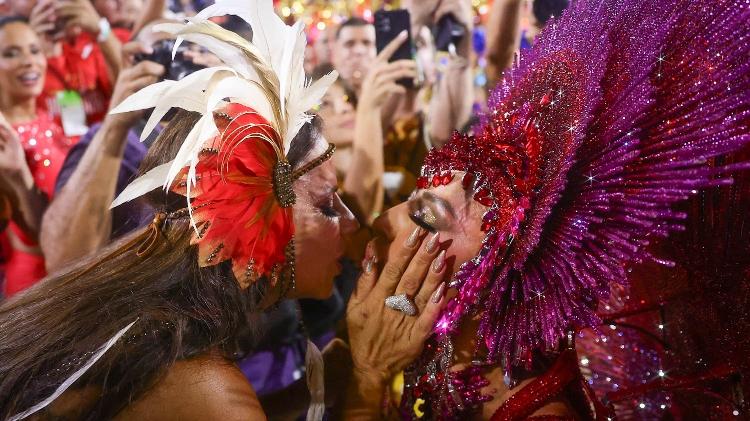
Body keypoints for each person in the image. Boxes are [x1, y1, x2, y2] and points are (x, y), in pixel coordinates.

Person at [0, 3, 448, 420]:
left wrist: (326, 383)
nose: (353, 223)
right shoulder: (203, 384)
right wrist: (368, 383)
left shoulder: (179, 329)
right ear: (257, 218)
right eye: (328, 205)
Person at [370, 0, 750, 418]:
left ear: (490, 279)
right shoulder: (437, 350)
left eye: (425, 216)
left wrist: (364, 385)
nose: (381, 220)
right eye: (415, 199)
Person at [0, 17, 69, 296]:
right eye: (10, 53)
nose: (29, 61)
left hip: (71, 268)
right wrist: (19, 175)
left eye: (34, 50)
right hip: (38, 286)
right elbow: (35, 238)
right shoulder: (5, 138)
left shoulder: (48, 113)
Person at [26, 0, 127, 137]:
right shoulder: (19, 50)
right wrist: (30, 46)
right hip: (51, 150)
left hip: (106, 144)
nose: (59, 9)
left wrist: (100, 30)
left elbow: (131, 93)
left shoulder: (108, 40)